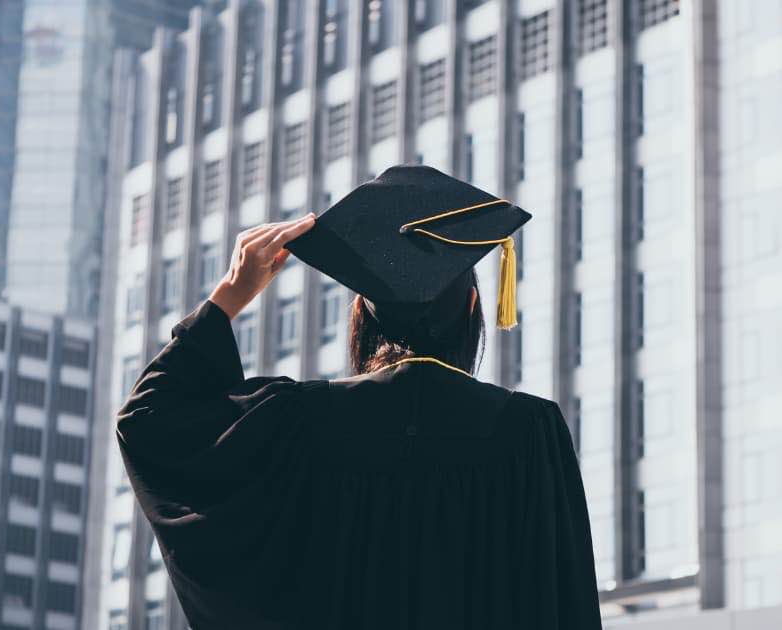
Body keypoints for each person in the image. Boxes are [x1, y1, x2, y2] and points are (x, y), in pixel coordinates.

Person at [117, 165, 603, 629]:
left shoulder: (295, 422)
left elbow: (147, 419)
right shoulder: (531, 432)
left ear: (361, 315)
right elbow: (566, 604)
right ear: (473, 307)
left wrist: (230, 294)